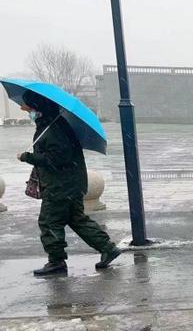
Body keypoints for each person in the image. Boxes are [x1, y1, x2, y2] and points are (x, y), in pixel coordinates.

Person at [16, 91, 121, 276]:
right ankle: (108, 248)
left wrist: (28, 157)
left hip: (60, 186)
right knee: (76, 219)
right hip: (70, 184)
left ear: (39, 109)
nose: (27, 111)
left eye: (29, 108)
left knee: (49, 222)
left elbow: (57, 158)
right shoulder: (51, 125)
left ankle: (56, 262)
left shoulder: (53, 129)